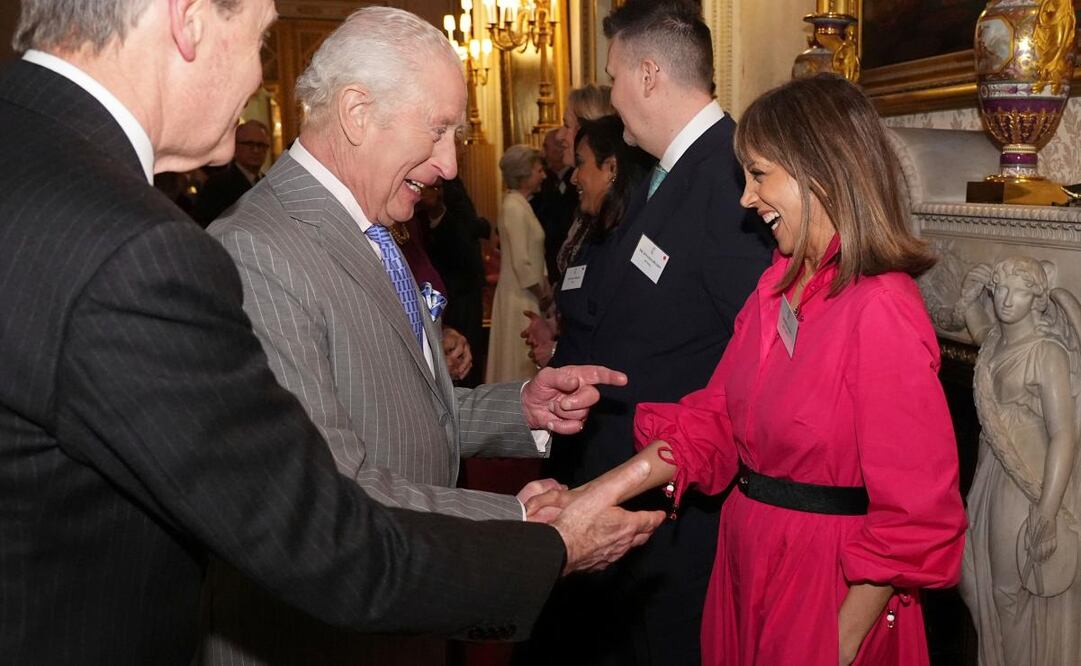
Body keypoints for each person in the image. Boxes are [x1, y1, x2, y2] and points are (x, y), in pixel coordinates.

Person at [0, 1, 666, 663]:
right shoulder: (166, 247)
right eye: (261, 41)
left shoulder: (37, 157)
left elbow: (389, 403)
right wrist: (545, 535)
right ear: (189, 18)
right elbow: (319, 517)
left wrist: (516, 411)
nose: (261, 81)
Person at [202, 8, 658, 665]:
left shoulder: (370, 230)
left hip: (396, 614)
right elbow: (333, 489)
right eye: (438, 129)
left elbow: (401, 403)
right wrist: (530, 524)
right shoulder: (260, 252)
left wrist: (521, 408)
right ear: (357, 112)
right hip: (319, 639)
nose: (448, 164)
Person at [534, 73, 968, 666]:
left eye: (760, 176)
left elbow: (916, 515)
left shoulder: (882, 307)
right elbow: (714, 420)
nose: (745, 198)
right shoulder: (776, 286)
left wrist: (835, 645)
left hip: (827, 587)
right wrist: (592, 495)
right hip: (746, 564)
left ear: (822, 173)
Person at [518, 3, 773, 665]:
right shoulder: (670, 178)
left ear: (650, 75)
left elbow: (755, 354)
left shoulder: (729, 175)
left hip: (679, 507)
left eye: (615, 78)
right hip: (633, 489)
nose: (612, 97)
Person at [958, 256, 1081, 666]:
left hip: (1024, 480)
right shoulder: (995, 340)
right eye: (1001, 290)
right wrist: (971, 294)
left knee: (1008, 591)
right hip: (989, 473)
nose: (1007, 300)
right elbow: (977, 329)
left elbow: (1065, 433)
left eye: (1019, 291)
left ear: (1037, 299)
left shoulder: (1047, 353)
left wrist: (1046, 509)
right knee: (972, 578)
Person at [522, 115, 653, 368]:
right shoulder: (595, 237)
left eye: (581, 163)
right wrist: (553, 329)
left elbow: (622, 344)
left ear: (611, 169)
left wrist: (556, 351)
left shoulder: (635, 247)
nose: (574, 178)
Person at [486, 144, 549, 383]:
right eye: (537, 170)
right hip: (520, 296)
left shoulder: (521, 204)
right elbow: (521, 261)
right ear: (524, 173)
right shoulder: (513, 206)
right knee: (517, 362)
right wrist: (542, 292)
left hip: (528, 292)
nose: (542, 175)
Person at [192, 119, 271, 226]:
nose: (256, 150)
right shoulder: (218, 184)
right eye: (249, 144)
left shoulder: (269, 183)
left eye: (261, 145)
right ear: (235, 146)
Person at [531, 128, 578, 284]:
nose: (543, 153)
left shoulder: (577, 177)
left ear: (559, 149)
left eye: (546, 147)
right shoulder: (543, 178)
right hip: (546, 253)